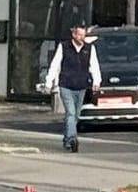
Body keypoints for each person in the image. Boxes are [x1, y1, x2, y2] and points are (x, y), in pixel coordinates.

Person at [43, 23, 101, 153]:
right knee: (70, 113)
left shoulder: (89, 49)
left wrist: (97, 81)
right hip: (66, 85)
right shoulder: (64, 47)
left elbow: (94, 66)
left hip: (81, 86)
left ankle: (67, 138)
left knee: (75, 116)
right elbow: (55, 65)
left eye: (84, 35)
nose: (82, 38)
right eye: (79, 35)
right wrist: (49, 82)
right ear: (73, 34)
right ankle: (72, 138)